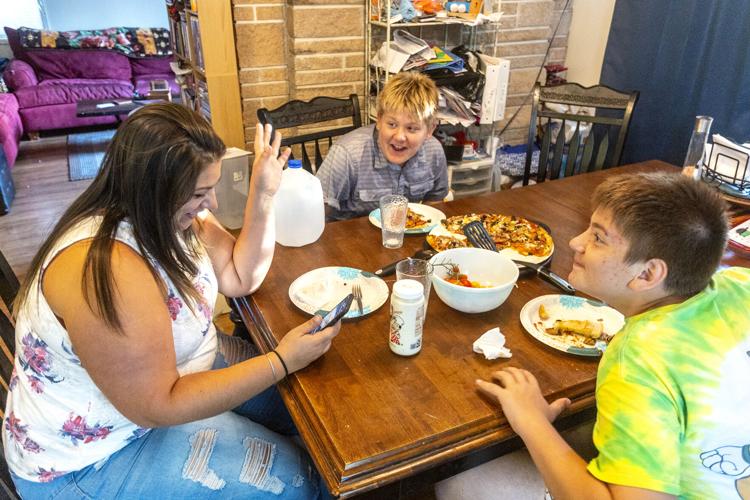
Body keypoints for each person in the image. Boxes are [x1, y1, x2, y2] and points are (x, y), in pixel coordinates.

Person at [3, 103, 340, 498]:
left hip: (177, 375)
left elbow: (238, 276)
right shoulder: (105, 269)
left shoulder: (171, 216)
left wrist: (263, 193)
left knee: (315, 417)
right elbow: (158, 405)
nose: (212, 203)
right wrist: (280, 361)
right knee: (302, 480)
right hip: (99, 455)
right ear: (154, 189)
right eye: (199, 192)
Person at [474, 172, 750, 499]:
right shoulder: (739, 282)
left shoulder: (636, 361)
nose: (576, 242)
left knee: (463, 476)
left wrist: (532, 421)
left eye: (598, 238)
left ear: (647, 273)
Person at [316, 71, 449, 221]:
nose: (399, 136)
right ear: (379, 120)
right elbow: (314, 213)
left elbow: (435, 201)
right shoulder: (347, 154)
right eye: (392, 124)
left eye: (411, 128)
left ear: (430, 129)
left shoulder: (434, 151)